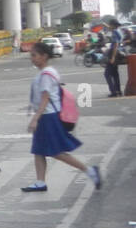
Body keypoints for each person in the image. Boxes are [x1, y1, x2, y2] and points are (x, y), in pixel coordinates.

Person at [22, 42, 101, 193]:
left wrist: (35, 118)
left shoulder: (46, 74)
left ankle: (90, 171)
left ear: (44, 56)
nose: (31, 58)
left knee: (56, 152)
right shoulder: (47, 72)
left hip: (48, 116)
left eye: (34, 55)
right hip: (47, 115)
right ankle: (40, 182)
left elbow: (45, 98)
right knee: (38, 150)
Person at [103, 25, 122, 98]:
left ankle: (113, 92)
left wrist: (113, 57)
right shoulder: (118, 31)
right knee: (115, 74)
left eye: (110, 25)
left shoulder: (114, 33)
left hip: (113, 54)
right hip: (117, 54)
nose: (109, 27)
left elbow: (116, 44)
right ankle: (118, 91)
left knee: (107, 74)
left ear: (113, 26)